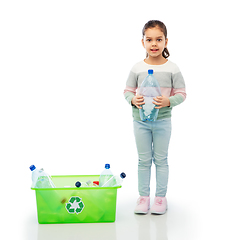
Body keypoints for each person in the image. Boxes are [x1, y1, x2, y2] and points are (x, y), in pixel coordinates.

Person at [123, 20, 186, 214]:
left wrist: (168, 101)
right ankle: (143, 198)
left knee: (161, 159)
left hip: (162, 121)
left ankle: (160, 199)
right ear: (143, 43)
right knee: (143, 160)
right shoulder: (137, 68)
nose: (154, 44)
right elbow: (127, 91)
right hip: (140, 121)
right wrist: (134, 99)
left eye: (158, 39)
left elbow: (182, 93)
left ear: (166, 42)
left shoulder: (173, 68)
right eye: (149, 40)